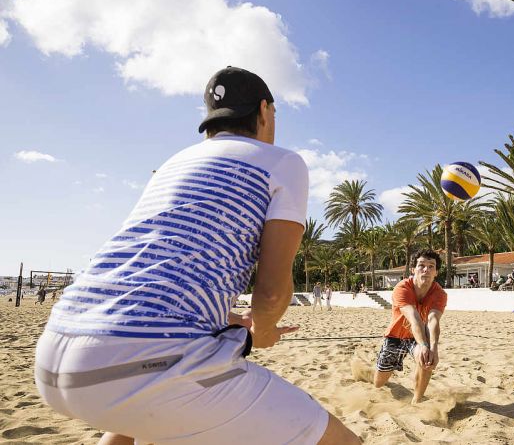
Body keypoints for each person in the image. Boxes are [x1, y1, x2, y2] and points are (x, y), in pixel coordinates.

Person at [34, 67, 359, 445]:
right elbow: (270, 295)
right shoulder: (281, 162)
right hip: (141, 364)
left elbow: (153, 273)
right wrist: (263, 331)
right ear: (265, 112)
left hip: (56, 357)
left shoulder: (172, 165)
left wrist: (231, 319)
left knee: (137, 416)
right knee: (343, 442)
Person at [372, 249, 446, 404]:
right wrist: (424, 344)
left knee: (427, 359)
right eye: (421, 265)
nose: (426, 269)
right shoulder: (402, 288)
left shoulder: (439, 294)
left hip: (416, 337)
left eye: (431, 266)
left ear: (436, 272)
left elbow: (433, 320)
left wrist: (432, 348)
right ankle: (371, 374)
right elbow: (414, 318)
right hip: (396, 337)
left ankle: (417, 401)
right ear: (413, 270)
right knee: (379, 383)